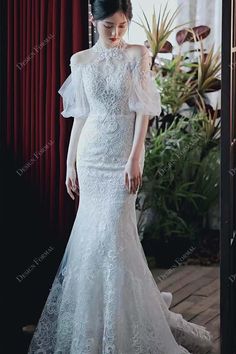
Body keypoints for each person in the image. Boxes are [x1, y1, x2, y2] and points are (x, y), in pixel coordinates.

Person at [27, 1, 214, 353]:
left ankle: (120, 333)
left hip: (121, 161)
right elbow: (80, 117)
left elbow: (142, 111)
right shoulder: (80, 61)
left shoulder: (137, 55)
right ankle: (93, 333)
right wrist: (69, 164)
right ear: (92, 21)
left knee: (114, 240)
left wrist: (135, 157)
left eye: (122, 26)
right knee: (89, 244)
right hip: (90, 158)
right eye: (108, 27)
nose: (115, 34)